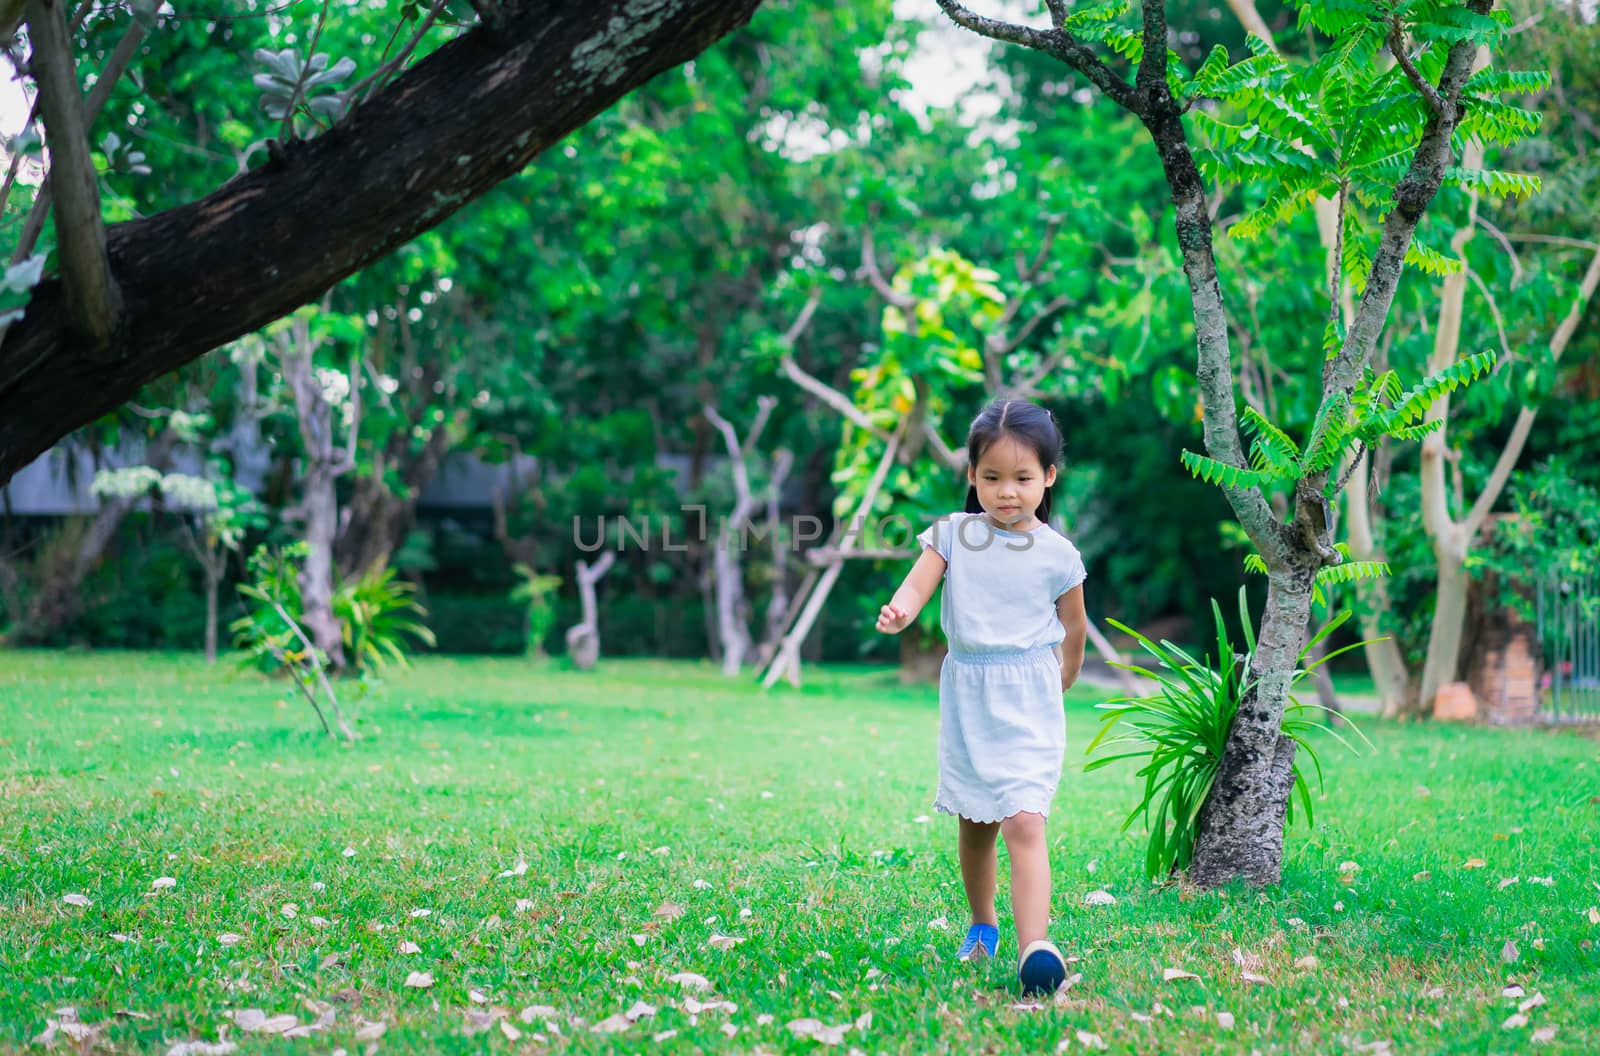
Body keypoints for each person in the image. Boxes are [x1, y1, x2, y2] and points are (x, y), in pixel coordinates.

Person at [876, 398, 1088, 996]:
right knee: (976, 822)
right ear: (971, 474)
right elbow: (920, 581)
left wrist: (1066, 674)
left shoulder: (1058, 553)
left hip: (1030, 693)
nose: (1006, 492)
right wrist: (900, 610)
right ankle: (983, 923)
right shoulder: (954, 534)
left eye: (1022, 478)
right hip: (969, 689)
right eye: (991, 477)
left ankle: (1035, 948)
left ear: (1048, 477)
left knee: (1023, 817)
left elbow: (1073, 626)